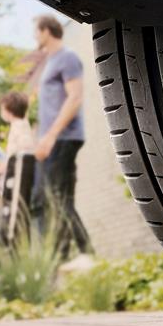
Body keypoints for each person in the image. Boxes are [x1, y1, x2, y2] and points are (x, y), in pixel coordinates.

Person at [30, 15, 93, 258]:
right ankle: (63, 256)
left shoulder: (67, 58)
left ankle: (87, 254)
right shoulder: (50, 62)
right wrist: (41, 138)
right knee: (53, 199)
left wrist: (50, 137)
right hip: (53, 140)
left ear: (46, 30)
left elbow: (75, 97)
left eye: (36, 31)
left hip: (64, 138)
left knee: (58, 197)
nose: (35, 36)